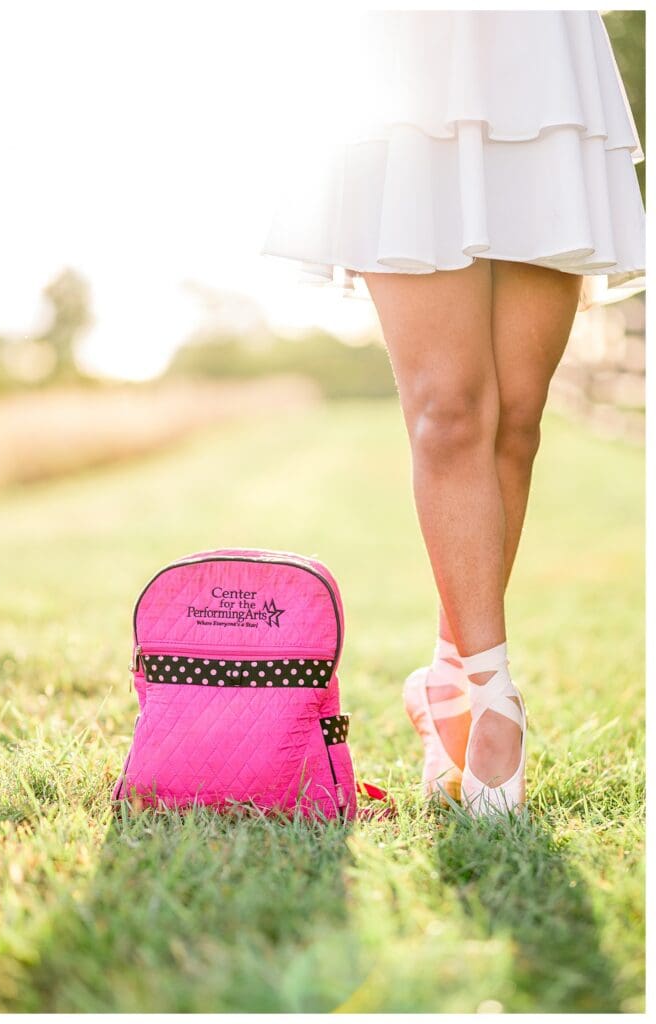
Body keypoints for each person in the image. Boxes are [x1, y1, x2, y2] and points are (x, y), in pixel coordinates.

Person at [260, 10, 645, 816]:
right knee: (451, 408)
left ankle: (447, 681)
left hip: (540, 58)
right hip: (404, 65)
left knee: (519, 419)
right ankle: (493, 701)